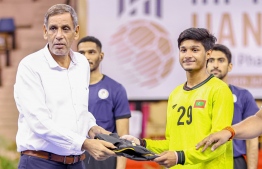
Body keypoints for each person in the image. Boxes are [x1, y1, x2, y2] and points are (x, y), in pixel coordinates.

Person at [14, 4, 116, 169]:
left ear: (76, 32)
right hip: (39, 162)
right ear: (45, 31)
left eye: (65, 28)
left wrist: (92, 127)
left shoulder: (82, 63)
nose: (59, 35)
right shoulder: (30, 66)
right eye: (53, 28)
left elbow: (78, 110)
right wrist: (85, 143)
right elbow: (39, 122)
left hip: (76, 162)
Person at [122, 27, 234, 168]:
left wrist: (179, 156)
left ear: (208, 54)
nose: (187, 55)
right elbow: (171, 143)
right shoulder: (175, 94)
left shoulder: (219, 90)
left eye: (194, 50)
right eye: (183, 50)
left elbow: (218, 144)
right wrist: (141, 143)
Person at [77, 36, 131, 169]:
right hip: (76, 155)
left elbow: (123, 136)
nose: (86, 57)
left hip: (105, 157)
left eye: (91, 52)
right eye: (81, 53)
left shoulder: (116, 89)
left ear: (101, 56)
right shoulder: (70, 89)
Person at [206, 44, 259, 169]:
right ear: (206, 65)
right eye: (211, 60)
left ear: (230, 66)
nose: (215, 65)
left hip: (235, 161)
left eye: (221, 60)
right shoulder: (195, 96)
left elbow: (252, 138)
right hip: (203, 160)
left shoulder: (243, 96)